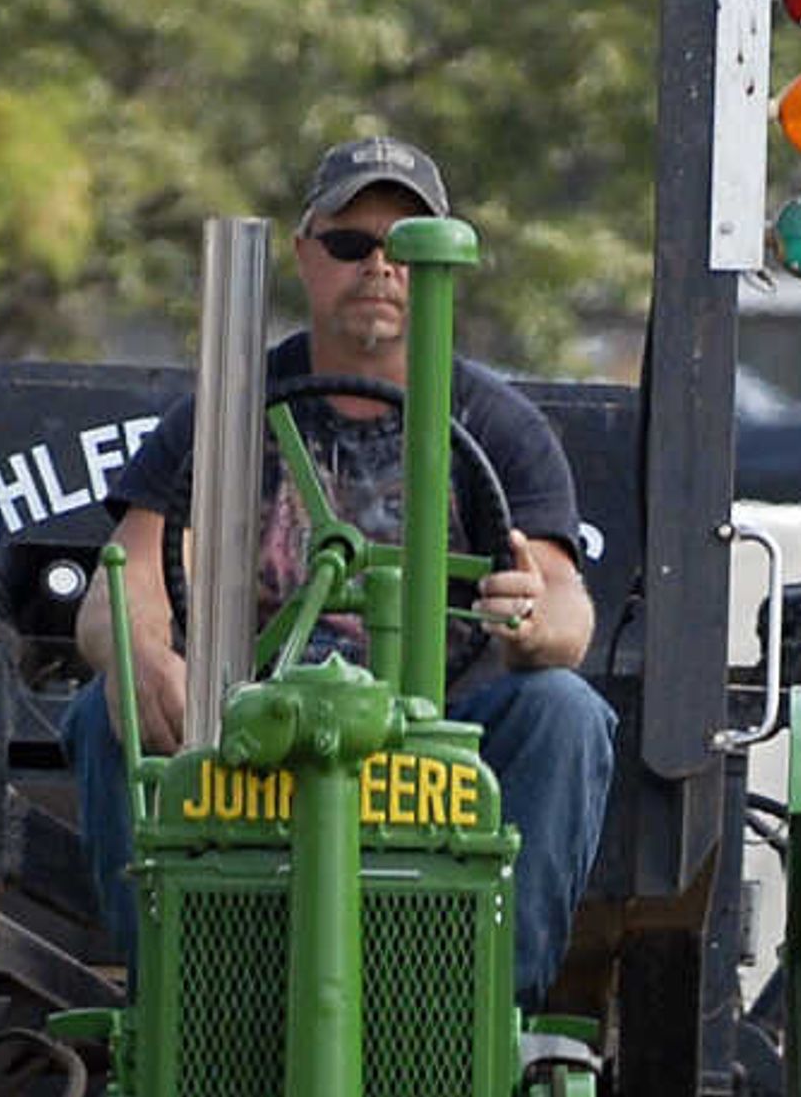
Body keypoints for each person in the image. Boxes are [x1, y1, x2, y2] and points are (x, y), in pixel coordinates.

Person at [68, 134, 616, 1003]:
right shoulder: (225, 412)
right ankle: (176, 1013)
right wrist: (145, 657)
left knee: (565, 711)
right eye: (351, 245)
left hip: (435, 738)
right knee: (112, 709)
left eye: (404, 248)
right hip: (253, 730)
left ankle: (483, 1024)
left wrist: (531, 617)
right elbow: (120, 586)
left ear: (439, 268)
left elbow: (564, 609)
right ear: (303, 255)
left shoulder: (498, 426)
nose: (379, 268)